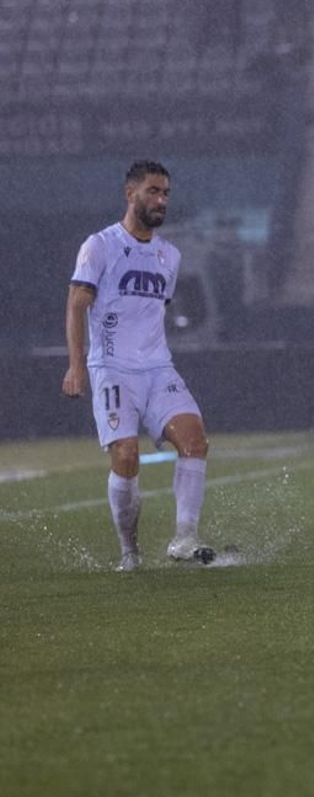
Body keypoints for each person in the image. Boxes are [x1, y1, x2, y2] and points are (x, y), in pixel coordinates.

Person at [62, 161, 212, 571]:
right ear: (131, 194)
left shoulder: (170, 256)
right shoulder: (100, 246)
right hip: (112, 369)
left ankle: (184, 539)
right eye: (152, 191)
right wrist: (76, 366)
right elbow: (77, 306)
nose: (161, 200)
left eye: (165, 193)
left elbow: (151, 314)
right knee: (126, 456)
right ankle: (130, 552)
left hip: (158, 368)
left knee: (195, 442)